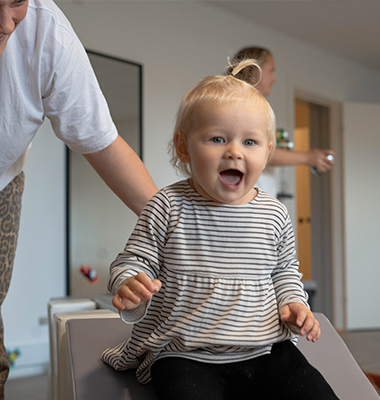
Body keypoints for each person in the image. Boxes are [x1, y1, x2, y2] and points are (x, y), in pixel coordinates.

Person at [101, 59, 339, 400]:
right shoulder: (167, 206)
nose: (234, 152)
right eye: (217, 139)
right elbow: (133, 260)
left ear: (268, 152)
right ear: (184, 146)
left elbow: (284, 272)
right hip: (186, 351)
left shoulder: (274, 214)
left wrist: (294, 304)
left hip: (265, 348)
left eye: (250, 143)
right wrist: (129, 283)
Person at [0, 0, 157, 395]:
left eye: (15, 3)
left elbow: (102, 142)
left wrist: (177, 224)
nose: (6, 24)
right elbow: (124, 275)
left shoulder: (47, 34)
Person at [227, 46, 334, 196]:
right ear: (255, 70)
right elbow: (257, 152)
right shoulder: (241, 105)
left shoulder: (248, 105)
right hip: (246, 200)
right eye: (271, 71)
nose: (274, 79)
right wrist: (308, 157)